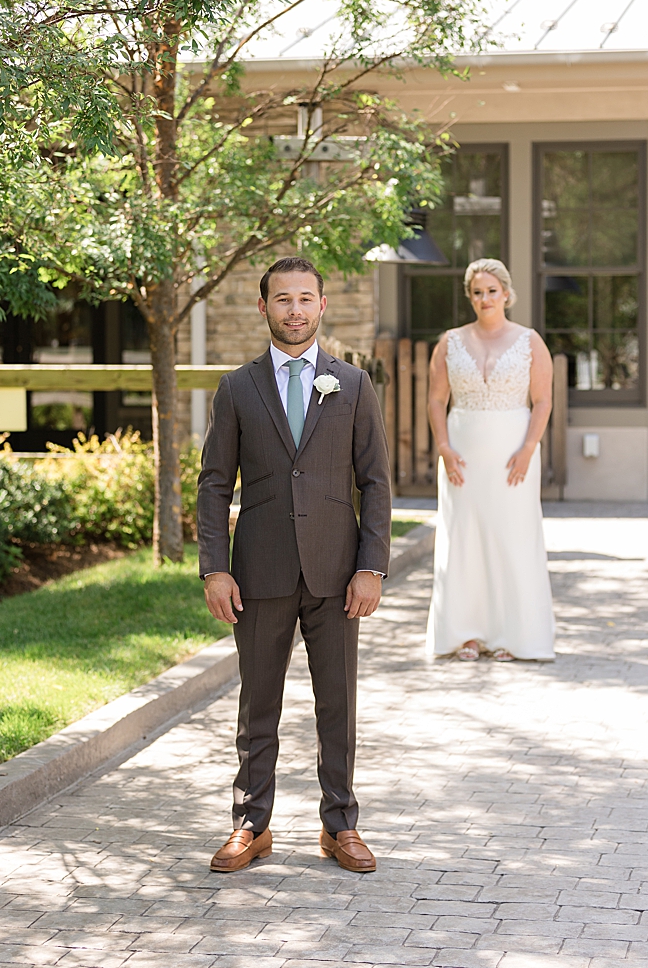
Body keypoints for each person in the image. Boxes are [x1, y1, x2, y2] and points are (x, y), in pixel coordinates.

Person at [197, 256, 392, 875]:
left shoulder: (352, 385)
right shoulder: (236, 388)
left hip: (337, 574)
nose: (295, 310)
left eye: (306, 298)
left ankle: (341, 825)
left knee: (337, 702)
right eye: (282, 299)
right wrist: (213, 567)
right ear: (264, 308)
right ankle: (250, 824)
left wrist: (372, 566)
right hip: (260, 572)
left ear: (322, 305)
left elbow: (376, 483)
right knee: (258, 704)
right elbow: (212, 485)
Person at [425, 258, 555, 662]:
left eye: (492, 291)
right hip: (461, 455)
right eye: (477, 292)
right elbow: (435, 399)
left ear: (506, 293)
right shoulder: (450, 341)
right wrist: (444, 448)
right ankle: (465, 634)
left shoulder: (530, 341)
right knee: (462, 538)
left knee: (513, 538)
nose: (485, 298)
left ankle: (512, 636)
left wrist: (528, 449)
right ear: (470, 296)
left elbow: (543, 400)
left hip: (513, 454)